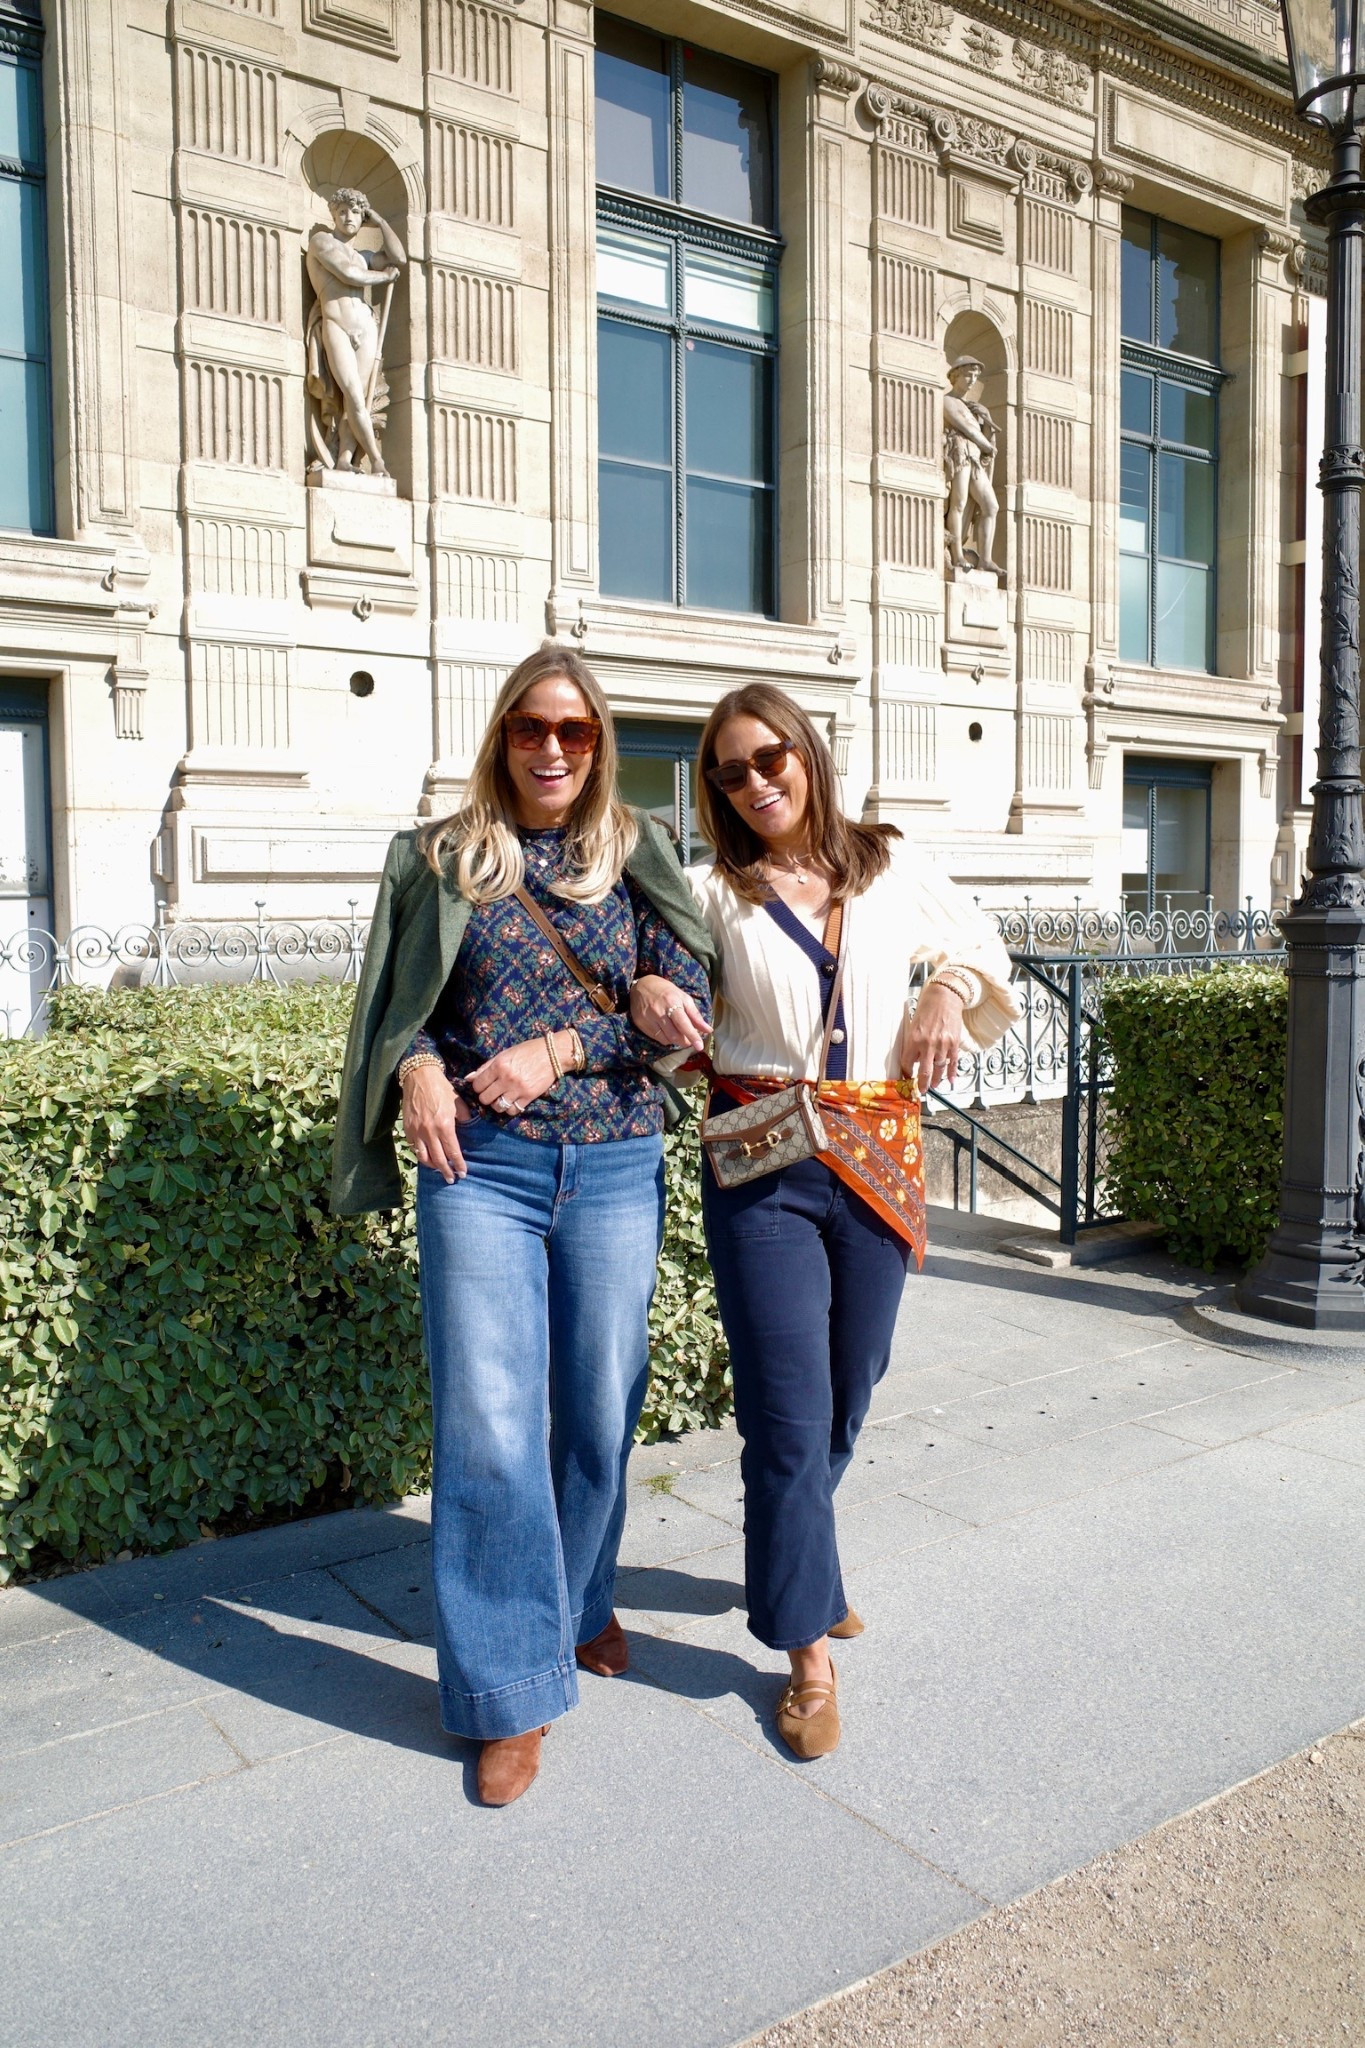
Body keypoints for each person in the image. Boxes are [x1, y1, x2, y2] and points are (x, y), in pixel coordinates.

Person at [331, 646, 715, 1806]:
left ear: (600, 742)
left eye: (577, 731)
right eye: (531, 729)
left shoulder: (638, 850)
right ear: (501, 736)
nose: (553, 749)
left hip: (611, 1159)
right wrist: (417, 1069)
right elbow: (394, 1008)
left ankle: (580, 1603)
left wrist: (572, 1040)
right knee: (493, 1423)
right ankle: (511, 1691)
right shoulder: (438, 857)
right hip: (481, 1169)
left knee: (597, 1410)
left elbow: (680, 1006)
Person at [629, 684, 1019, 1760]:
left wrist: (944, 990)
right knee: (788, 1412)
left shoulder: (891, 862)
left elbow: (984, 951)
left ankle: (805, 1552)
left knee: (853, 1385)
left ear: (808, 753)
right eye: (729, 771)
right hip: (763, 1162)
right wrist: (654, 1005)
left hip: (881, 1156)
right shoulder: (711, 889)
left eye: (769, 758)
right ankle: (805, 1651)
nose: (754, 782)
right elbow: (653, 999)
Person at [305, 186, 406, 475]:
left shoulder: (363, 255)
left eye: (357, 212)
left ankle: (344, 458)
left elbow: (399, 258)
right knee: (352, 393)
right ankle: (377, 460)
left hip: (366, 327)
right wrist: (383, 277)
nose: (350, 216)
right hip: (336, 324)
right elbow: (348, 274)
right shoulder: (321, 241)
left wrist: (381, 222)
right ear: (334, 214)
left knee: (359, 397)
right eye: (343, 211)